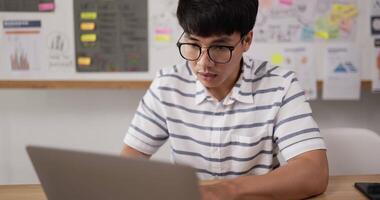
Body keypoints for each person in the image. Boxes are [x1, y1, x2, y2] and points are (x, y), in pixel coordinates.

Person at [121, 0, 328, 199]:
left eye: (219, 48)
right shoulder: (167, 85)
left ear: (246, 41)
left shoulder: (279, 84)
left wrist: (225, 192)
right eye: (193, 44)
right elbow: (128, 163)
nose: (203, 64)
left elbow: (314, 171)